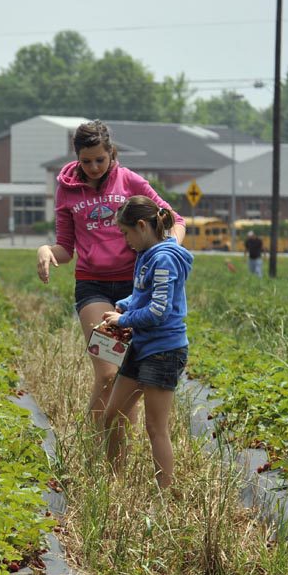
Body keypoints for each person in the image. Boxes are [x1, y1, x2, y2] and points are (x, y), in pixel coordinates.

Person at [36, 120, 186, 423]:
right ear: (77, 157)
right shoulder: (66, 191)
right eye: (86, 161)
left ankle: (117, 452)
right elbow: (66, 248)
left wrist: (164, 250)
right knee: (107, 371)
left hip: (136, 288)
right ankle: (94, 444)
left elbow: (174, 219)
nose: (93, 167)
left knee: (127, 374)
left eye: (100, 160)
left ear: (112, 153)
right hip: (94, 286)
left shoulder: (129, 181)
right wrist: (46, 251)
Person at [100, 196, 193, 488]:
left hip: (164, 351)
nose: (126, 241)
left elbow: (158, 310)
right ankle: (113, 480)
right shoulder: (147, 254)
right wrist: (123, 306)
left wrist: (123, 321)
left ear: (142, 226)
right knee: (112, 415)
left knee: (156, 427)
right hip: (142, 347)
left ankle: (162, 497)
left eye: (126, 233)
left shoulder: (164, 258)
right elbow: (143, 296)